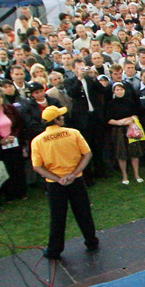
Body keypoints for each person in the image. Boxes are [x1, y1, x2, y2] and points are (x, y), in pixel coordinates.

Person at [30, 105, 100, 260]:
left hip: (55, 184)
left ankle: (54, 250)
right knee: (83, 212)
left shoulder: (38, 141)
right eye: (60, 116)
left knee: (57, 217)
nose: (63, 117)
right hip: (76, 180)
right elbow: (87, 154)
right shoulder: (73, 133)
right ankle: (91, 241)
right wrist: (74, 174)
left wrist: (58, 179)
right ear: (56, 119)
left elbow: (37, 166)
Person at [106, 82, 145, 185]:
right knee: (121, 154)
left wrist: (128, 120)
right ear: (114, 91)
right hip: (118, 131)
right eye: (117, 90)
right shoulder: (110, 103)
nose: (120, 91)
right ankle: (125, 175)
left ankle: (136, 174)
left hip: (131, 128)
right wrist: (119, 122)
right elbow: (108, 119)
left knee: (134, 153)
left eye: (121, 89)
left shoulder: (130, 101)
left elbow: (136, 114)